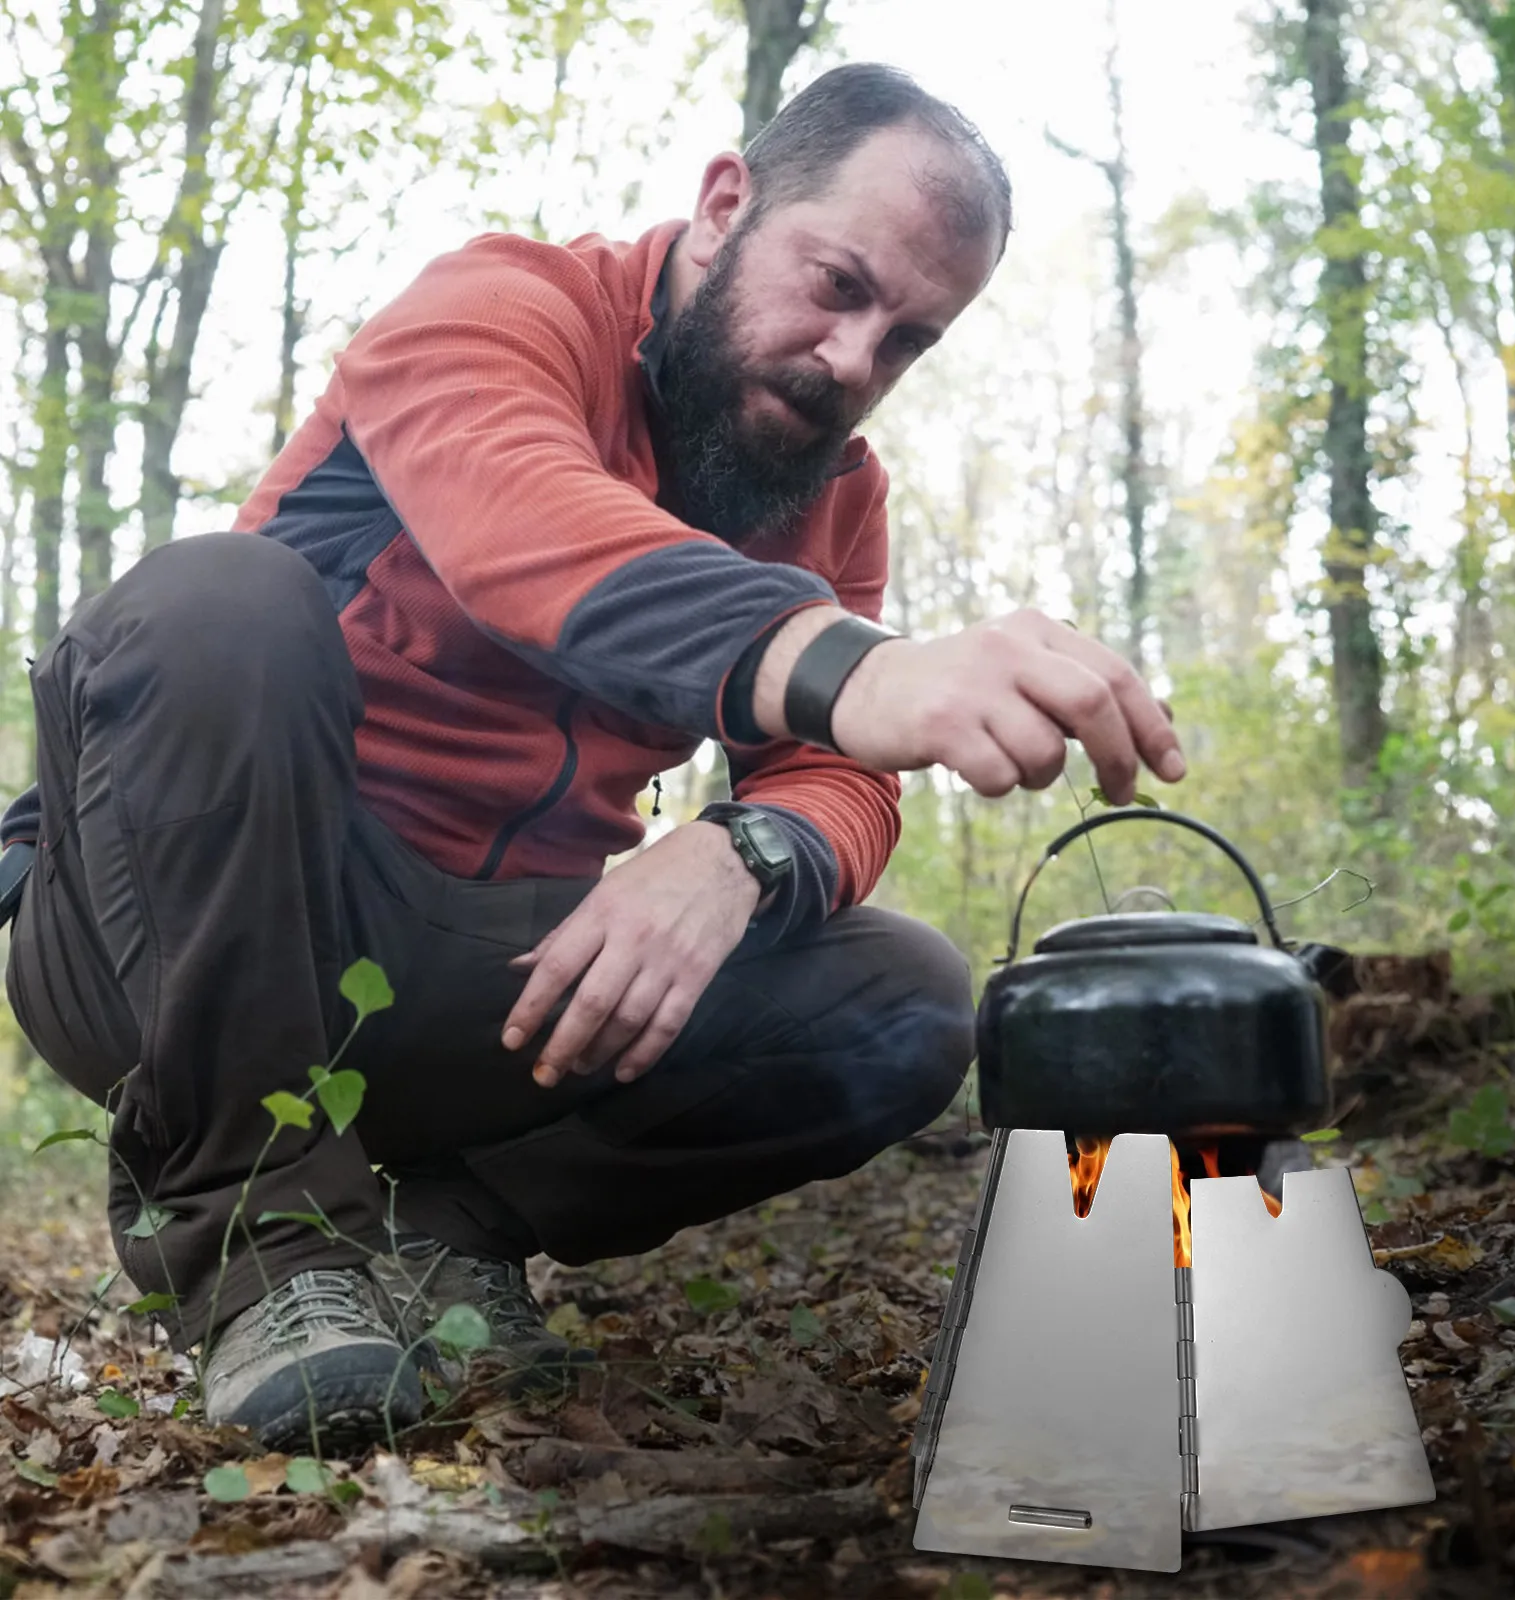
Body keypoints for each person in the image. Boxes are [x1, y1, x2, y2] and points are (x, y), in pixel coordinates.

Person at [0, 64, 1185, 1451]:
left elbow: (834, 774)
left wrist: (741, 853)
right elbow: (529, 528)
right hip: (181, 937)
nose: (853, 363)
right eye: (838, 284)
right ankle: (260, 1254)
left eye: (909, 340)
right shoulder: (500, 309)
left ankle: (442, 1234)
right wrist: (864, 668)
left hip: (488, 989)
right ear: (725, 202)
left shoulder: (826, 493)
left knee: (906, 996)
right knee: (218, 602)